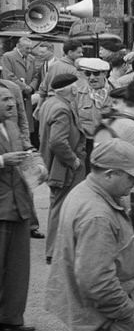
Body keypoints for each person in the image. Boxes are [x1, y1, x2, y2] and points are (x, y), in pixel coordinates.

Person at [44, 140, 134, 331]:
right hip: (105, 321)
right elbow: (97, 281)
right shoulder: (97, 214)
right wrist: (128, 314)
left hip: (93, 315)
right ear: (110, 174)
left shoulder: (86, 191)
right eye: (131, 177)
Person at [0, 84, 38, 331]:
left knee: (18, 266)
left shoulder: (12, 126)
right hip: (2, 205)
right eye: (5, 100)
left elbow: (24, 152)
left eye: (12, 100)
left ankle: (12, 317)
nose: (12, 104)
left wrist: (35, 162)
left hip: (19, 203)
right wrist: (2, 160)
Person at [37, 73, 87, 262]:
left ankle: (55, 250)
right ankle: (55, 251)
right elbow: (57, 141)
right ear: (72, 89)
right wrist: (73, 160)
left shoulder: (51, 103)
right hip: (62, 168)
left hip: (54, 165)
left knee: (59, 206)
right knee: (61, 207)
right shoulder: (61, 108)